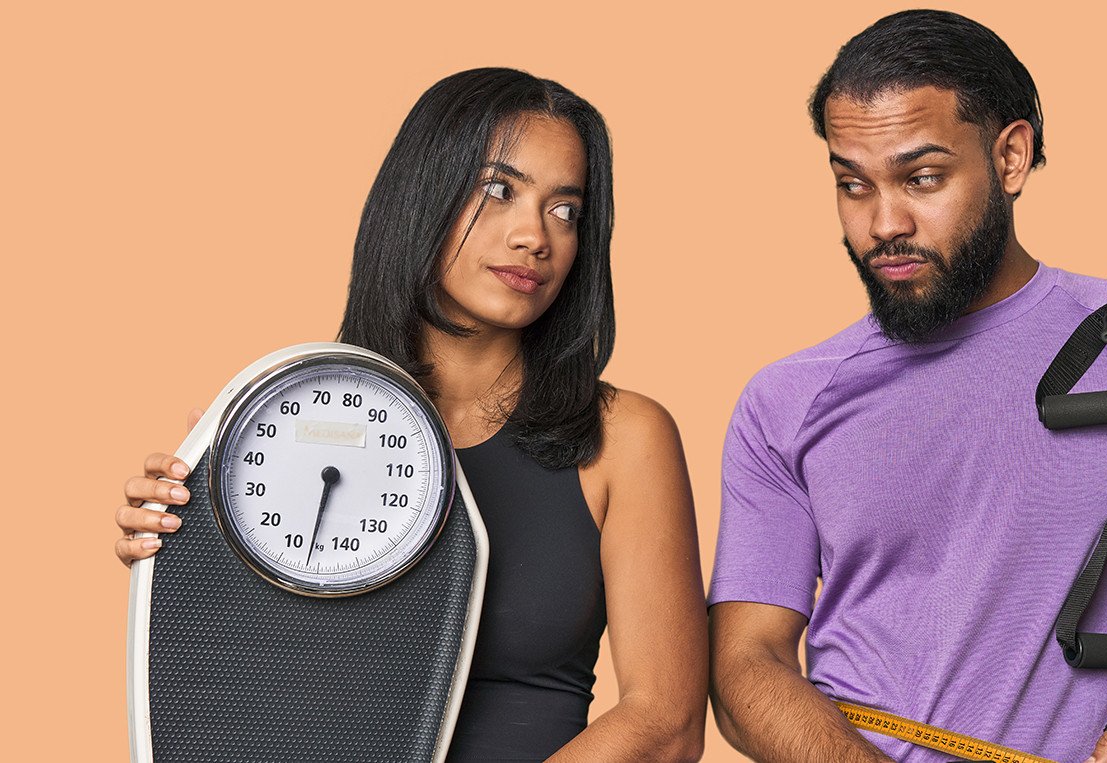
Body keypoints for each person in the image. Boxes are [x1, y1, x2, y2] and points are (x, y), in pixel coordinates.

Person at [707, 10, 1107, 763]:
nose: (882, 222)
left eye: (921, 177)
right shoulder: (784, 399)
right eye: (852, 184)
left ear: (1010, 157)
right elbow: (747, 661)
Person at [114, 68, 707, 763]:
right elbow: (242, 681)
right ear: (423, 194)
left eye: (564, 210)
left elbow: (664, 723)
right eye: (499, 190)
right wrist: (180, 559)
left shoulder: (625, 438)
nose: (534, 236)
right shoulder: (278, 416)